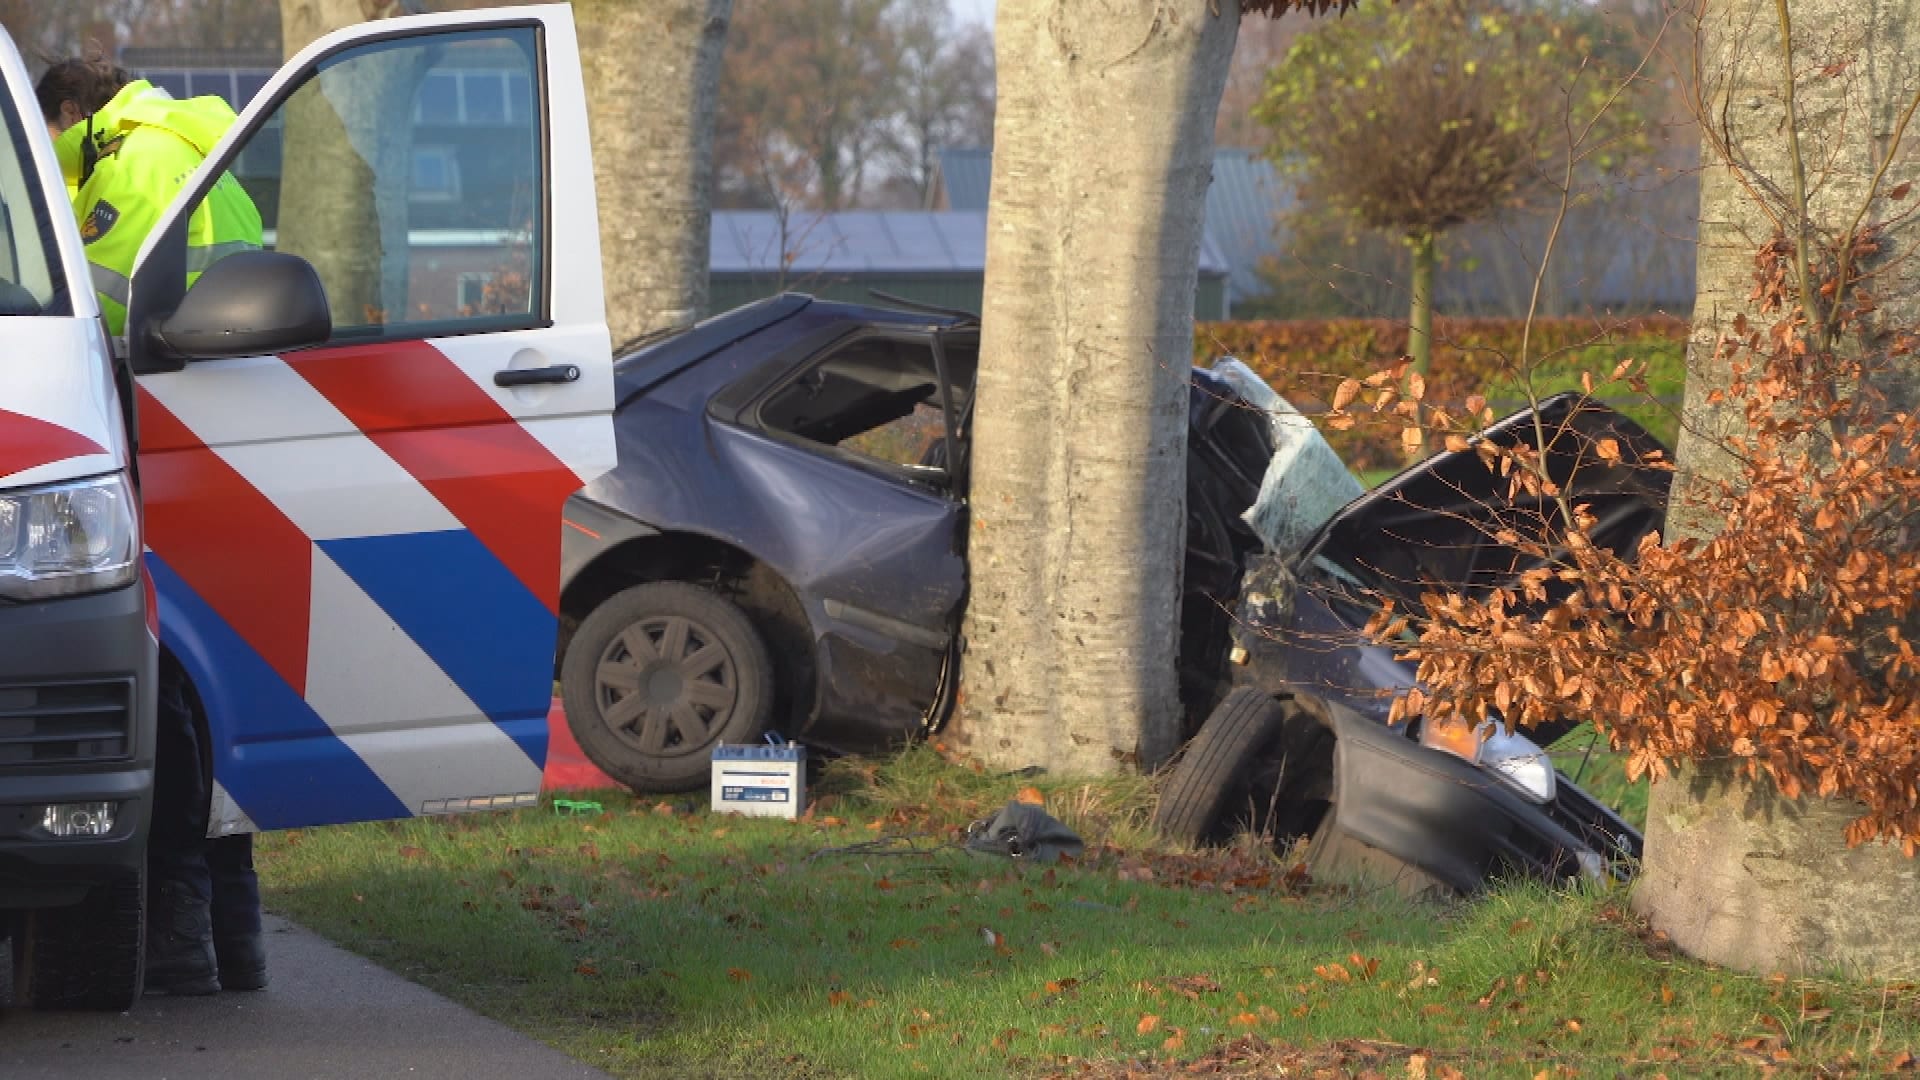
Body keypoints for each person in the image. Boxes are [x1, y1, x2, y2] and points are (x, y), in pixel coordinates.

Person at [36, 57, 267, 995]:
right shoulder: (201, 143)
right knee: (210, 686)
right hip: (226, 440)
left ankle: (178, 931)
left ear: (73, 112)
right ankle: (234, 935)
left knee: (166, 690)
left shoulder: (130, 162)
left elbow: (97, 315)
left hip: (151, 441)